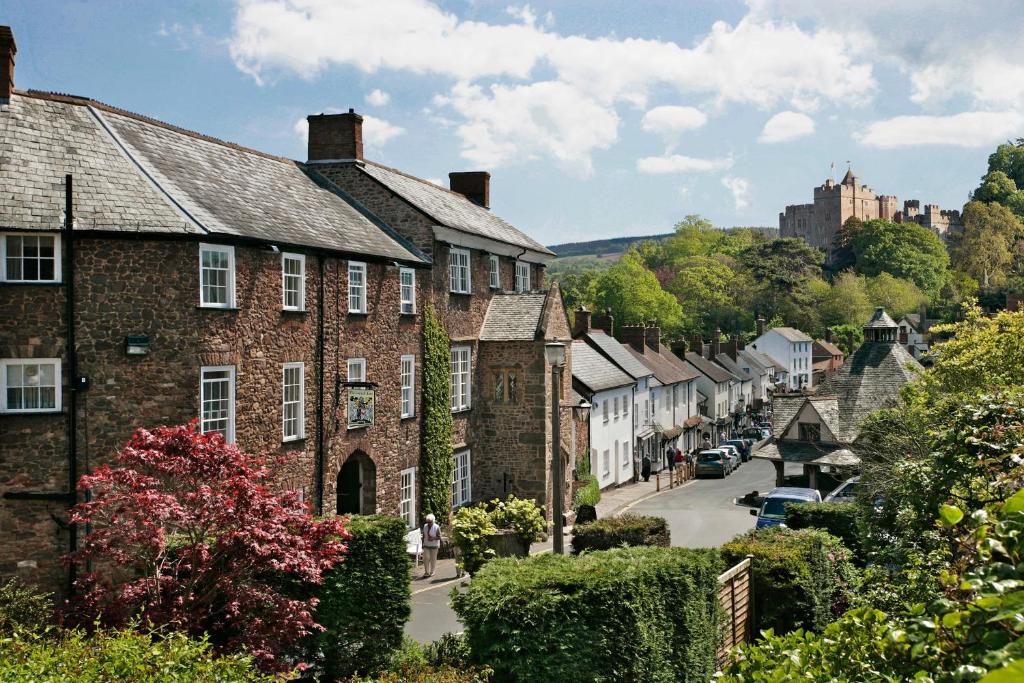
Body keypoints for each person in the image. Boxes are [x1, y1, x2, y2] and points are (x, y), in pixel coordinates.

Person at [421, 513, 441, 578]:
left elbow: (439, 537)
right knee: (426, 558)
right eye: (428, 522)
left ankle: (432, 571)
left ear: (433, 521)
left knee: (433, 559)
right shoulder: (425, 526)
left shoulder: (437, 527)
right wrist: (422, 544)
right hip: (426, 545)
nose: (429, 523)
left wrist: (433, 538)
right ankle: (426, 572)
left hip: (434, 546)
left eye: (430, 522)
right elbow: (423, 535)